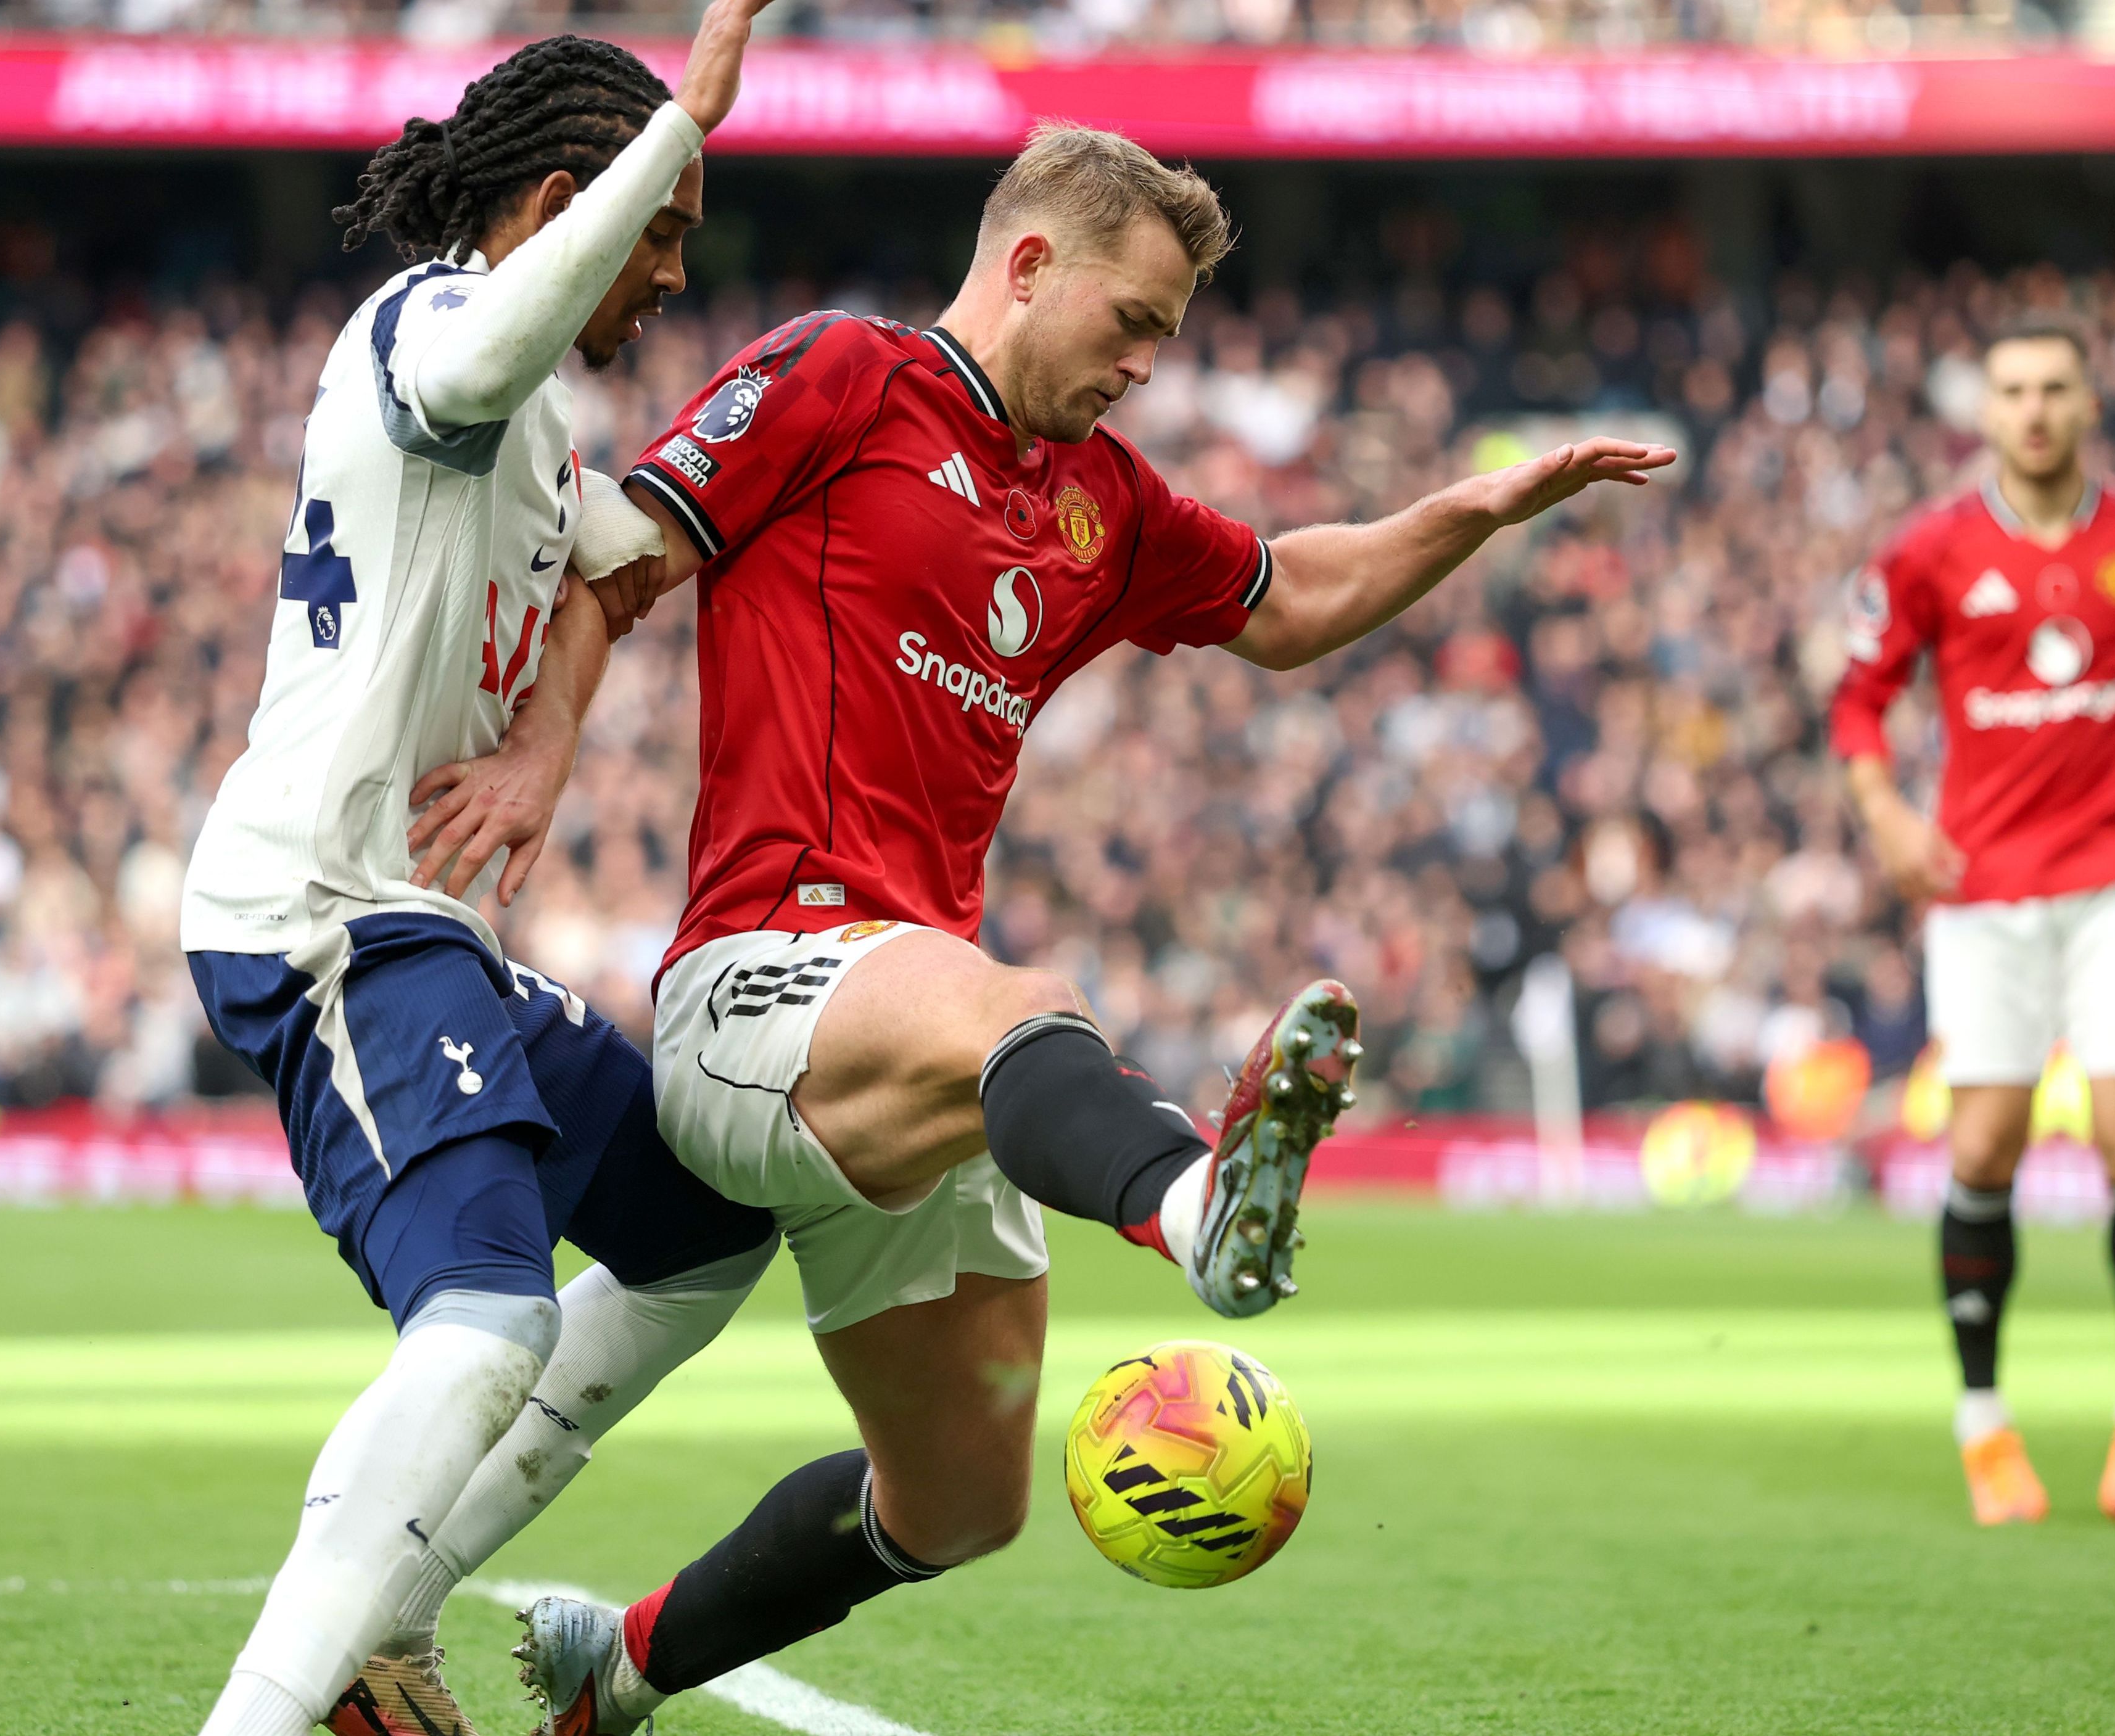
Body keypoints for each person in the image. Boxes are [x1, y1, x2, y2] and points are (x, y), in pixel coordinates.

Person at [463, 124, 1672, 1732]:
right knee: (1021, 1002)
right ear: (1029, 267)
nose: (1148, 369)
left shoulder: (1095, 501)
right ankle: (1193, 1205)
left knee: (960, 1502)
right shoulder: (840, 375)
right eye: (1132, 324)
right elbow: (622, 561)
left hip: (918, 1051)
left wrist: (1475, 513)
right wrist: (540, 751)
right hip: (759, 983)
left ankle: (616, 1672)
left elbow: (1290, 599)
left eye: (1168, 340)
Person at [172, 14, 787, 1735]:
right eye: (656, 228)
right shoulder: (434, 332)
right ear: (555, 202)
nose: (670, 269)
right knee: (484, 1326)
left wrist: (550, 743)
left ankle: (390, 1616)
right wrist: (687, 122)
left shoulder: (536, 434)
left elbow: (627, 568)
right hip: (325, 918)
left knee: (702, 1230)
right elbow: (497, 331)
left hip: (419, 923)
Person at [1830, 313, 2115, 1527]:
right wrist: (1888, 819)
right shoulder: (1930, 551)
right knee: (1981, 1150)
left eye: (2054, 388)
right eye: (2012, 389)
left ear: (2088, 403)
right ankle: (1985, 1427)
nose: (2032, 409)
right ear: (1987, 410)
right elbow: (1859, 699)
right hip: (1982, 888)